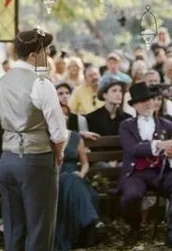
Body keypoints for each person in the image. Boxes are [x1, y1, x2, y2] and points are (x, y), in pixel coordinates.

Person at [0, 28, 68, 251]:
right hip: (35, 159)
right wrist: (59, 153)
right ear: (33, 55)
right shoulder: (42, 84)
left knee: (14, 227)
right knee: (39, 228)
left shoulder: (1, 83)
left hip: (7, 159)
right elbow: (58, 131)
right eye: (46, 50)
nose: (49, 55)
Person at [119, 82, 172, 249]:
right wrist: (158, 145)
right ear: (134, 105)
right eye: (142, 101)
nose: (148, 103)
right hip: (136, 172)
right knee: (131, 196)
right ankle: (134, 228)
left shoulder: (167, 124)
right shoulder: (126, 125)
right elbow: (132, 148)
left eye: (149, 99)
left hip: (161, 171)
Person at [55, 102, 101, 251]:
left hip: (76, 174)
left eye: (65, 114)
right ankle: (92, 220)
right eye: (59, 114)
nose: (62, 117)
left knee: (76, 183)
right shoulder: (50, 138)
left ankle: (87, 224)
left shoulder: (76, 137)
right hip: (57, 176)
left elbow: (85, 163)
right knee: (68, 180)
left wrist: (81, 174)